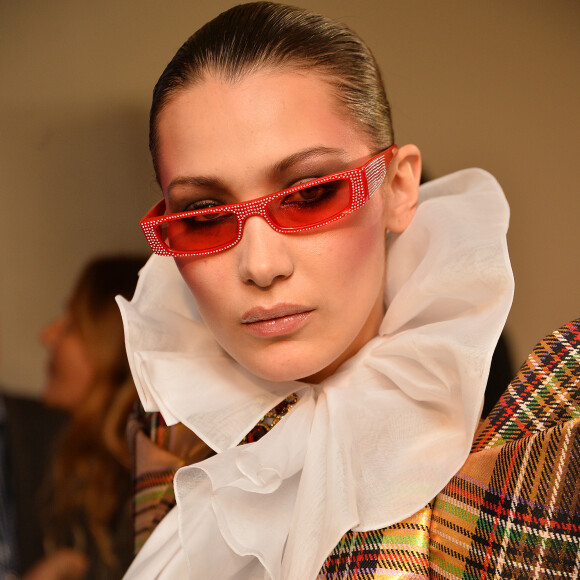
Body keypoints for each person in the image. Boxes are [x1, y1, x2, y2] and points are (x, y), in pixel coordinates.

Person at [118, 3, 579, 578]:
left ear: (399, 188)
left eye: (311, 193)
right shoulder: (176, 457)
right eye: (205, 214)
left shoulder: (544, 474)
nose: (261, 265)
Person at [21, 255, 146, 580]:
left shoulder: (145, 482)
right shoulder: (73, 464)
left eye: (71, 325)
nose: (47, 335)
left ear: (116, 345)